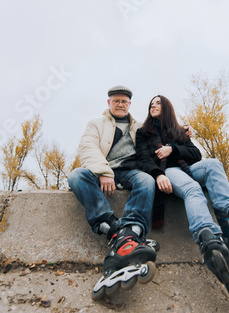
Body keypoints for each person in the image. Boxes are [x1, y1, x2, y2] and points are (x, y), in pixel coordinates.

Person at [135, 95, 229, 309]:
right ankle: (208, 239)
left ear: (167, 107)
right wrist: (158, 174)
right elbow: (143, 158)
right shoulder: (143, 133)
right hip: (168, 171)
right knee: (193, 189)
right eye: (150, 104)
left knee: (213, 164)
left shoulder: (178, 131)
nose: (153, 106)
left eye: (158, 103)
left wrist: (173, 148)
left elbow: (196, 154)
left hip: (188, 168)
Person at [67, 85, 157, 300]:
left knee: (146, 179)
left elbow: (162, 136)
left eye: (124, 101)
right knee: (76, 176)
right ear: (108, 103)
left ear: (129, 104)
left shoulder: (140, 127)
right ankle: (112, 229)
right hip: (103, 170)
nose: (120, 104)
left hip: (130, 172)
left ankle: (131, 231)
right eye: (116, 101)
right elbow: (87, 148)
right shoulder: (96, 124)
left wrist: (184, 130)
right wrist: (103, 172)